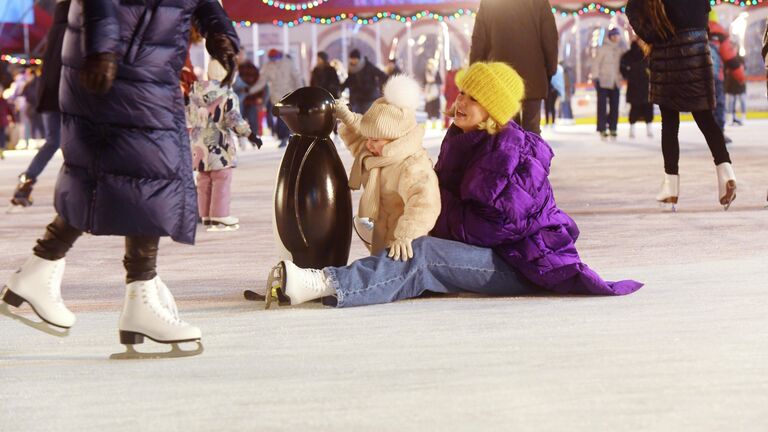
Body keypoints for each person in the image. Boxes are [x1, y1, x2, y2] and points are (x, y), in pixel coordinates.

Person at [263, 62, 642, 309]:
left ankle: (322, 283)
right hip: (504, 253)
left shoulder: (511, 151)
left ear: (492, 110)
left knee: (423, 254)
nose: (460, 101)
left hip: (522, 262)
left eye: (474, 98)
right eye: (462, 92)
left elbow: (493, 228)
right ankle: (334, 279)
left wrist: (428, 199)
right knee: (407, 245)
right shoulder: (463, 137)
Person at [0, 0, 239, 357]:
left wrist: (219, 30)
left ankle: (44, 269)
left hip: (142, 61)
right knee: (149, 169)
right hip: (117, 57)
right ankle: (138, 296)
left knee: (131, 173)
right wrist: (102, 48)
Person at [626, 0, 737, 210]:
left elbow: (644, 24)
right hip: (697, 56)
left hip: (670, 58)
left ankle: (671, 187)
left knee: (669, 124)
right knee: (706, 119)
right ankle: (726, 174)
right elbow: (704, 20)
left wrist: (641, 21)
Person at [332, 75, 441, 259]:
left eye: (375, 140)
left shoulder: (412, 165)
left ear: (395, 139)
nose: (368, 145)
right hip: (382, 232)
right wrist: (348, 118)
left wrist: (406, 236)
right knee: (377, 261)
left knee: (389, 273)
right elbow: (363, 136)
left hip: (407, 245)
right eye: (368, 139)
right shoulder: (377, 156)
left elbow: (424, 203)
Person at [9, 0, 70, 208]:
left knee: (53, 142)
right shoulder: (74, 29)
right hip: (68, 95)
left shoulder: (53, 31)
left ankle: (27, 180)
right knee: (80, 142)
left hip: (49, 95)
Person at [469, 0, 558, 134]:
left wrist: (474, 73)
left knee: (508, 130)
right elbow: (550, 37)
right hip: (533, 74)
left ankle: (511, 154)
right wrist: (551, 69)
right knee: (532, 129)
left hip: (501, 77)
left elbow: (479, 41)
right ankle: (531, 154)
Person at [188, 60, 251, 232]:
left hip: (199, 145)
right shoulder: (227, 94)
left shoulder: (194, 94)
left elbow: (189, 117)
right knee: (221, 179)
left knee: (204, 181)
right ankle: (220, 216)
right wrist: (248, 134)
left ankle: (206, 216)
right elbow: (234, 120)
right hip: (219, 146)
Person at [249, 49, 302, 147]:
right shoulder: (268, 66)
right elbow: (262, 81)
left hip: (289, 94)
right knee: (281, 118)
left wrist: (300, 91)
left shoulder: (288, 63)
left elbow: (297, 77)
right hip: (276, 97)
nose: (273, 61)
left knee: (291, 117)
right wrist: (251, 90)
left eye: (275, 59)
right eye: (271, 59)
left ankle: (292, 136)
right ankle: (283, 138)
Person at [591, 27, 625, 140]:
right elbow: (596, 63)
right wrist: (595, 77)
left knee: (615, 106)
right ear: (610, 37)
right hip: (603, 81)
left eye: (618, 35)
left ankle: (613, 128)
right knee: (602, 106)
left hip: (616, 82)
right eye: (614, 35)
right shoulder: (603, 49)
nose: (616, 37)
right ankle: (602, 128)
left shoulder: (621, 49)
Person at [620, 38, 654, 139]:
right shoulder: (630, 55)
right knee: (636, 108)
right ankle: (633, 130)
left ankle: (648, 130)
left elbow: (653, 67)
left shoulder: (647, 54)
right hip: (636, 86)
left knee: (646, 108)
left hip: (644, 85)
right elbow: (622, 68)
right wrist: (628, 75)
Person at [342, 49, 387, 114]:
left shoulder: (368, 65)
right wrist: (341, 87)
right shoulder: (351, 68)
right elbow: (349, 80)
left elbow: (381, 74)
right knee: (355, 119)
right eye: (351, 58)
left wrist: (379, 87)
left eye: (354, 58)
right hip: (356, 99)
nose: (352, 61)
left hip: (368, 98)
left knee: (367, 118)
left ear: (358, 59)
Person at [724, 55, 747, 126]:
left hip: (740, 83)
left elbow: (744, 68)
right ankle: (730, 118)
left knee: (742, 100)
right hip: (731, 84)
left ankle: (743, 118)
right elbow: (725, 71)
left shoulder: (741, 58)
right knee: (730, 102)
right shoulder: (727, 59)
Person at [423, 58, 443, 128]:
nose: (429, 65)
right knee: (429, 110)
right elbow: (424, 82)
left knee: (436, 110)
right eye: (428, 64)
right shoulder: (426, 72)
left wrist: (433, 81)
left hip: (435, 94)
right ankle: (429, 124)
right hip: (428, 95)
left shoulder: (436, 72)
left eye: (431, 64)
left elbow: (440, 81)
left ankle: (437, 124)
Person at [0, 85, 16, 160]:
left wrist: (13, 120)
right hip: (3, 122)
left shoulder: (4, 101)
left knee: (2, 137)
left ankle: (1, 151)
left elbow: (10, 111)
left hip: (2, 122)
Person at [546, 64, 564, 128]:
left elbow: (561, 81)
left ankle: (551, 122)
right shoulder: (559, 69)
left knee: (550, 106)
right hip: (550, 89)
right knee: (549, 106)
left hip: (553, 89)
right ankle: (549, 122)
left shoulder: (559, 69)